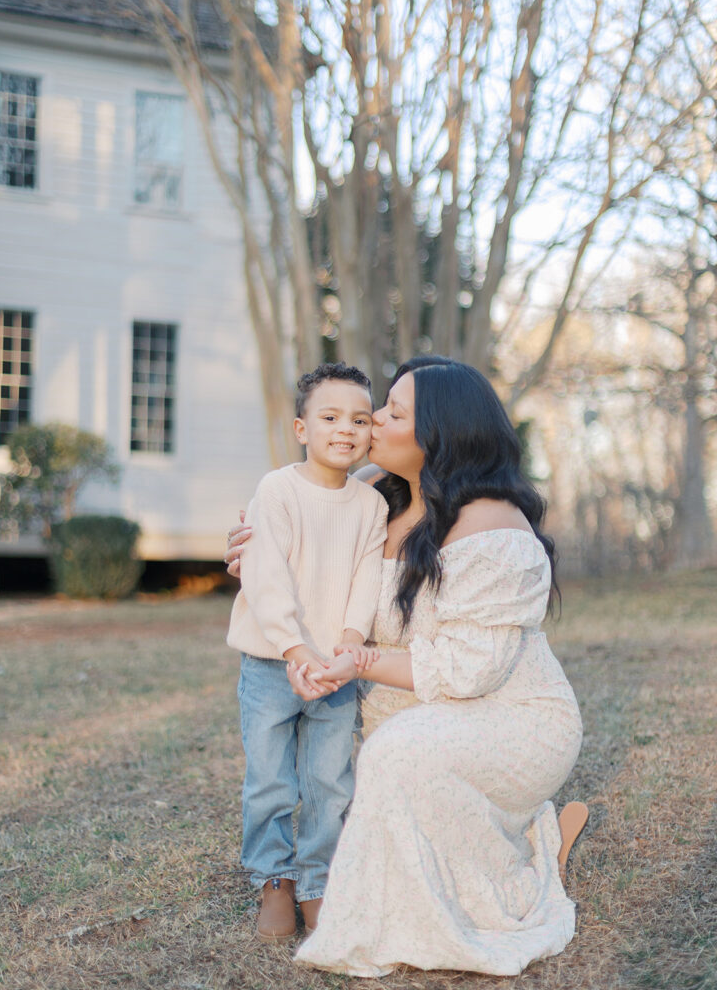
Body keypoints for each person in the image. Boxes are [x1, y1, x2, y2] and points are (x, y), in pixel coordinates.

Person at [227, 358, 586, 977]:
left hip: (506, 718)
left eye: (390, 413)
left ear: (437, 436)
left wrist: (361, 658)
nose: (370, 425)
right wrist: (250, 554)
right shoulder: (371, 494)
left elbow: (471, 672)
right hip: (404, 715)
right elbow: (295, 545)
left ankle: (512, 871)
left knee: (390, 761)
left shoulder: (492, 524)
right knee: (352, 783)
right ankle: (503, 852)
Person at [226, 362, 389, 944]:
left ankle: (318, 882)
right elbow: (265, 575)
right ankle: (275, 880)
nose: (345, 429)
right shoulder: (278, 490)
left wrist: (348, 642)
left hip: (338, 669)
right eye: (330, 417)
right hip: (274, 663)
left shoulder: (371, 506)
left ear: (372, 431)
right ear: (302, 428)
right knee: (270, 780)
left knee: (329, 781)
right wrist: (296, 650)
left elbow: (367, 580)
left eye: (359, 419)